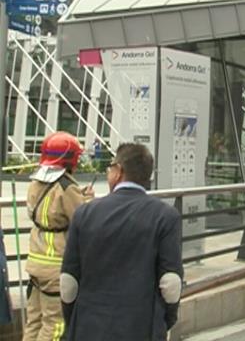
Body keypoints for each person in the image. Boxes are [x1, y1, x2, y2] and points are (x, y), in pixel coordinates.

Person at [60, 143, 183, 340]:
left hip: (89, 326)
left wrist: (73, 318)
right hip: (142, 327)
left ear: (118, 171)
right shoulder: (166, 216)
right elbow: (171, 283)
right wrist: (164, 320)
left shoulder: (84, 213)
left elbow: (68, 282)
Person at [24, 131, 93, 341]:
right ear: (71, 159)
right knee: (54, 326)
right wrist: (87, 199)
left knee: (33, 321)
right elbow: (82, 219)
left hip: (35, 261)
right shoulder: (66, 186)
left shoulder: (35, 182)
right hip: (55, 266)